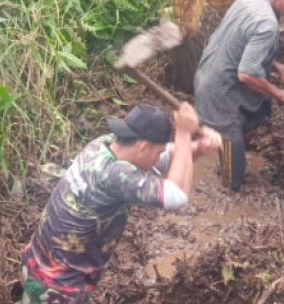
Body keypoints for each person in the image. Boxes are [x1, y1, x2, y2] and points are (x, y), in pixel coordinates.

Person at [20, 103, 222, 303]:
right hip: (59, 288)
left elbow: (165, 157)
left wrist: (198, 148)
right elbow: (176, 195)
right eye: (158, 151)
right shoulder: (114, 176)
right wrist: (184, 135)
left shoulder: (103, 145)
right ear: (143, 147)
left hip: (35, 265)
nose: (160, 156)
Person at [194, 0, 284, 191]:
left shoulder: (246, 1)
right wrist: (279, 93)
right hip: (219, 92)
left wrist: (278, 67)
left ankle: (234, 140)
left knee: (262, 106)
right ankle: (228, 172)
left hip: (210, 74)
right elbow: (246, 74)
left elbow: (241, 43)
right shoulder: (267, 24)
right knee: (234, 180)